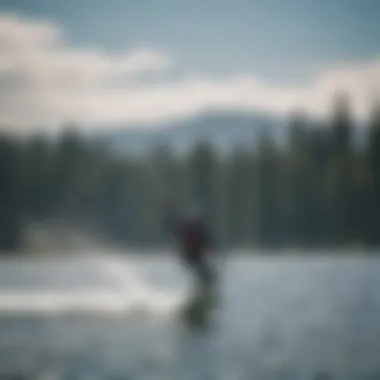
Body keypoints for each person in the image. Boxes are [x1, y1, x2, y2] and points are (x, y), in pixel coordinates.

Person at [164, 202, 215, 287]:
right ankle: (201, 286)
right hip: (189, 255)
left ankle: (205, 286)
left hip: (195, 255)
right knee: (199, 270)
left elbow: (208, 242)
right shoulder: (186, 228)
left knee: (204, 271)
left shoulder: (198, 229)